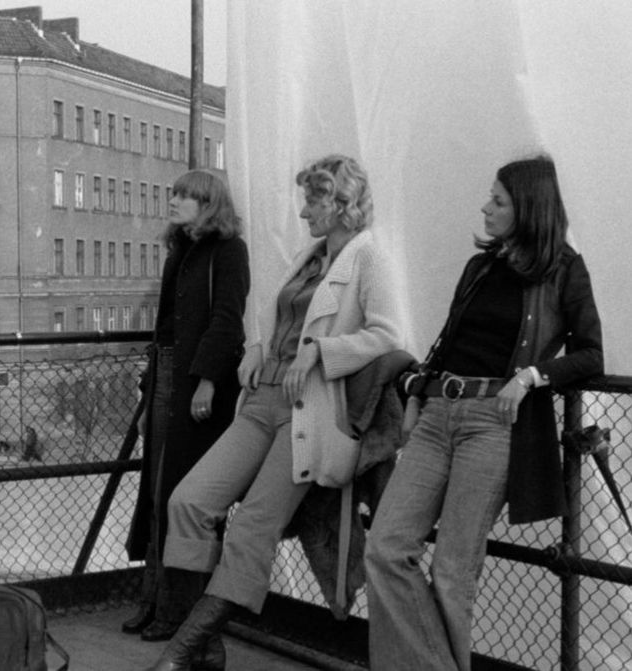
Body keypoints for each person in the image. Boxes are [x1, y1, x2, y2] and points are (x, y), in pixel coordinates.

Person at [144, 155, 405, 671]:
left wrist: (320, 353)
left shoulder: (367, 257)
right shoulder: (310, 258)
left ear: (342, 204)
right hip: (262, 398)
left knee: (252, 529)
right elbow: (276, 316)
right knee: (188, 502)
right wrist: (259, 347)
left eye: (314, 198)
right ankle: (207, 645)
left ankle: (180, 654)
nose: (305, 209)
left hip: (307, 412)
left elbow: (387, 335)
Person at [365, 155, 603, 671]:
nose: (485, 207)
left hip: (493, 425)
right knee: (385, 548)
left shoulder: (564, 269)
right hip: (436, 418)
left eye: (498, 200)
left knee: (453, 571)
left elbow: (591, 353)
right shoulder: (481, 266)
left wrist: (532, 376)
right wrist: (416, 395)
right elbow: (450, 343)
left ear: (528, 207)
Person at [123, 170, 250, 643]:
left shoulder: (229, 251)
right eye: (173, 192)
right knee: (157, 492)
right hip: (167, 373)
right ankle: (155, 600)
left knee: (181, 495)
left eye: (184, 196)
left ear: (208, 203)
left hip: (195, 383)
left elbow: (227, 321)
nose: (172, 200)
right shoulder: (182, 248)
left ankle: (178, 613)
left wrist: (206, 382)